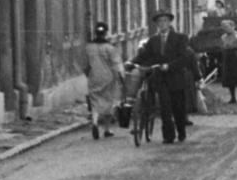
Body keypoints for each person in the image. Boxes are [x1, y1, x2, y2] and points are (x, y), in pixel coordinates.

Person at [128, 10, 196, 144]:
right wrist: (132, 62)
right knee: (165, 107)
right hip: (160, 78)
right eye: (159, 22)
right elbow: (144, 55)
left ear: (169, 22)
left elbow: (184, 57)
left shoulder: (180, 38)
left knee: (178, 108)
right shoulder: (153, 40)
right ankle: (168, 136)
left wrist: (170, 66)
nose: (162, 24)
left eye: (165, 21)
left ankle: (181, 131)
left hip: (176, 77)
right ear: (157, 25)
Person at [83, 21, 124, 140]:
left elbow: (85, 64)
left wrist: (88, 74)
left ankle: (95, 122)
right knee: (108, 102)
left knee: (95, 101)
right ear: (106, 33)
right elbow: (117, 64)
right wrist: (121, 77)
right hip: (108, 78)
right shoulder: (110, 48)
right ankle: (107, 129)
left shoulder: (88, 47)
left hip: (93, 77)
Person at [218, 19, 237, 104]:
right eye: (224, 27)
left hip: (236, 58)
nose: (225, 29)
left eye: (227, 27)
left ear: (233, 27)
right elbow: (222, 46)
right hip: (227, 58)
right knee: (229, 78)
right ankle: (233, 97)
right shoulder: (223, 37)